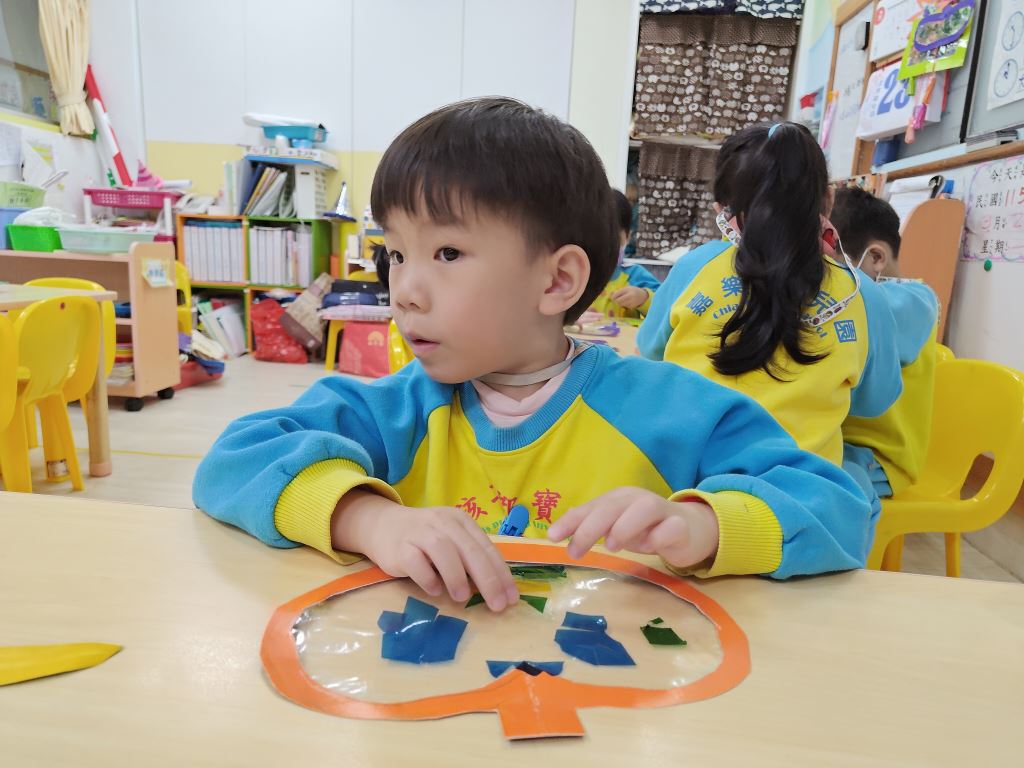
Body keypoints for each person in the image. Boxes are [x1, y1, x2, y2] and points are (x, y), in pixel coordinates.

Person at [193, 100, 874, 613]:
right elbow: (234, 461)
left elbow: (839, 508)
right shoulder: (398, 407)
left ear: (557, 281)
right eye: (395, 253)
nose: (404, 290)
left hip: (610, 701)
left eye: (447, 253)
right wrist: (369, 520)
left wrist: (704, 524)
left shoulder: (667, 409)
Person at [637, 122, 904, 468]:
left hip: (684, 478)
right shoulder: (861, 294)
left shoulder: (695, 267)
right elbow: (874, 401)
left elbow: (651, 351)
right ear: (828, 200)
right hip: (800, 488)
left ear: (721, 211)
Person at [830, 186, 939, 497]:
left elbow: (860, 311)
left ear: (876, 257)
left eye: (831, 269)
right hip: (836, 439)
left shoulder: (915, 300)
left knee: (818, 485)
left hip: (879, 457)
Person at [589, 189, 660, 319]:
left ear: (627, 237)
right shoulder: (573, 276)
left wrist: (643, 297)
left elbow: (667, 305)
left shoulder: (634, 275)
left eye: (614, 239)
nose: (605, 247)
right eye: (596, 239)